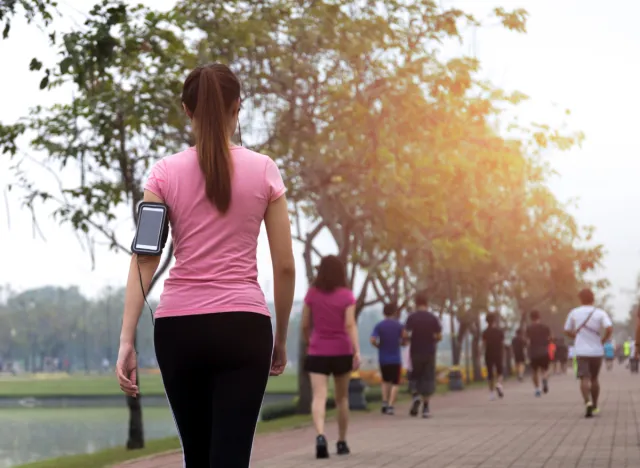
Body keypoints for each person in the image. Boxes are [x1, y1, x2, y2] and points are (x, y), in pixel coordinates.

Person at [115, 63, 296, 467]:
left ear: (186, 109)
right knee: (231, 458)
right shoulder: (264, 169)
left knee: (196, 458)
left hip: (179, 331)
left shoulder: (163, 174)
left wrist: (127, 339)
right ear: (238, 107)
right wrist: (280, 336)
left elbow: (145, 256)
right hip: (244, 327)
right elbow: (284, 266)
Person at [302, 255, 360, 459]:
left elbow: (305, 324)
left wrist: (310, 342)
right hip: (342, 350)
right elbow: (350, 325)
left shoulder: (312, 294)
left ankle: (320, 436)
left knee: (319, 396)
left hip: (318, 350)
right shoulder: (347, 295)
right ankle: (342, 442)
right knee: (342, 398)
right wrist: (357, 350)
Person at [564, 288, 613, 418]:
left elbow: (567, 330)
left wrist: (576, 336)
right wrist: (603, 339)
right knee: (594, 378)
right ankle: (595, 405)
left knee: (584, 378)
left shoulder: (574, 312)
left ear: (580, 299)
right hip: (596, 351)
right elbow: (609, 328)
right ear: (593, 299)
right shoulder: (600, 313)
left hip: (581, 351)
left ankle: (587, 402)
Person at [405, 291, 442, 418]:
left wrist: (409, 340)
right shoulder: (433, 318)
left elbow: (405, 334)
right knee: (427, 378)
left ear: (416, 303)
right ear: (427, 303)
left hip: (415, 351)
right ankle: (426, 409)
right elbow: (439, 335)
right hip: (429, 352)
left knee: (414, 376)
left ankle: (415, 396)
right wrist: (434, 340)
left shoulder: (412, 317)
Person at [371, 303, 407, 415]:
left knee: (385, 381)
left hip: (383, 358)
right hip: (396, 359)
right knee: (395, 383)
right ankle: (391, 406)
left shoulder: (379, 325)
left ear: (384, 313)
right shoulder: (399, 325)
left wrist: (378, 346)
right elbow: (405, 338)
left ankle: (384, 402)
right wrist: (401, 343)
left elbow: (372, 339)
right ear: (395, 312)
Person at [526, 310, 551, 397]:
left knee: (534, 372)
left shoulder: (529, 328)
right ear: (539, 317)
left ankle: (537, 389)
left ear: (531, 318)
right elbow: (549, 339)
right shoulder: (545, 327)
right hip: (544, 351)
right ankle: (544, 379)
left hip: (533, 352)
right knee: (546, 370)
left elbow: (528, 342)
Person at [481, 313, 505, 400]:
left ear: (486, 321)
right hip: (498, 353)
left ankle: (491, 394)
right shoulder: (499, 332)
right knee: (500, 372)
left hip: (488, 354)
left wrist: (480, 354)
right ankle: (499, 384)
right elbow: (502, 343)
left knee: (490, 374)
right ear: (494, 321)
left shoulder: (485, 332)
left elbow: (483, 344)